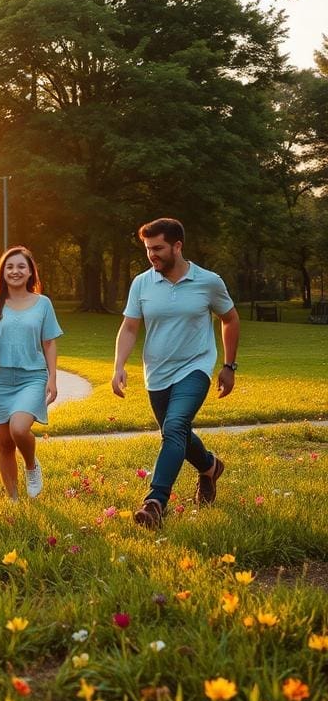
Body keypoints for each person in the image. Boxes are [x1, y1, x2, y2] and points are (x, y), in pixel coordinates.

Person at [112, 217, 240, 529]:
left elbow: (230, 319)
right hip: (156, 373)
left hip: (195, 367)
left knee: (175, 426)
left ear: (177, 246)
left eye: (158, 248)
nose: (151, 255)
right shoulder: (142, 283)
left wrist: (228, 365)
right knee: (176, 433)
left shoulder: (208, 281)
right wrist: (118, 366)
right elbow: (129, 327)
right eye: (147, 249)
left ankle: (155, 502)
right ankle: (210, 467)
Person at [0, 246, 62, 500]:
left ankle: (32, 465)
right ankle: (14, 499)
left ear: (30, 271)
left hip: (32, 378)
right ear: (2, 273)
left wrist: (53, 378)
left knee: (19, 429)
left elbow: (49, 342)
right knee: (4, 444)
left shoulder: (42, 304)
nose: (15, 271)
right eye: (10, 267)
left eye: (21, 266)